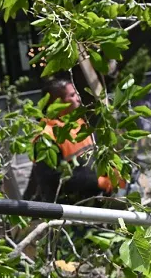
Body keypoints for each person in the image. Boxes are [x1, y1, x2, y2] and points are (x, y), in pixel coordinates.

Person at [23, 76, 123, 205]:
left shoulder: (79, 123)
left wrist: (110, 172)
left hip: (94, 201)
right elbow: (52, 179)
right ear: (58, 102)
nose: (78, 98)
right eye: (72, 95)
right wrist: (97, 182)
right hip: (69, 208)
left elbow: (96, 155)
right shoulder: (46, 136)